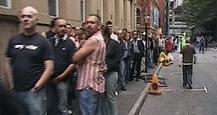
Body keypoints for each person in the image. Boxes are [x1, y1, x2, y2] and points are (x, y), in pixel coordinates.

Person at [4, 6, 54, 115]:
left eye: (29, 16)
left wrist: (37, 86)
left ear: (36, 20)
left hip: (33, 92)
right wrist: (11, 85)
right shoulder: (13, 40)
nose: (25, 19)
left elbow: (49, 67)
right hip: (16, 90)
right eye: (23, 16)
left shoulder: (43, 42)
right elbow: (7, 63)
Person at [73, 14, 107, 115]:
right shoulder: (100, 39)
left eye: (92, 22)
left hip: (88, 84)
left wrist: (80, 52)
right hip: (97, 83)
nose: (89, 25)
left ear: (99, 26)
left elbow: (75, 57)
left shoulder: (93, 40)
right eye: (87, 22)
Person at [46, 18, 76, 115]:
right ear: (54, 28)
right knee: (50, 105)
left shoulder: (70, 43)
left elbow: (73, 63)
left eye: (64, 26)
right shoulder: (49, 42)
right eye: (60, 26)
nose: (63, 28)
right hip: (49, 81)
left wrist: (62, 76)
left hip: (62, 81)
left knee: (63, 107)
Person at [102, 25, 120, 115]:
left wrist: (107, 67)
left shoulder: (113, 44)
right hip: (100, 74)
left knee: (110, 97)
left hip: (111, 73)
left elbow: (117, 59)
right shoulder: (98, 44)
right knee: (102, 98)